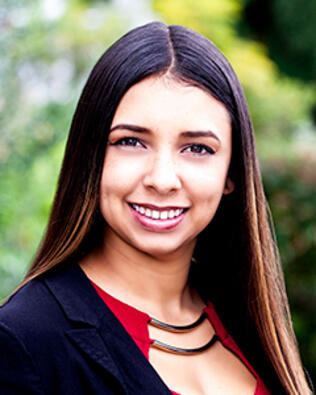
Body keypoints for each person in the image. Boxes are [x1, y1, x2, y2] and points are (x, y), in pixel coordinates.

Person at [0, 22, 312, 395]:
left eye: (197, 148)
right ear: (90, 156)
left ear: (232, 173)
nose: (162, 180)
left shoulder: (252, 323)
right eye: (131, 141)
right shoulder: (24, 342)